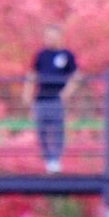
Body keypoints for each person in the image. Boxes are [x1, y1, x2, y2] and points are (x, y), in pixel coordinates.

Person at [29, 29, 77, 173]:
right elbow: (32, 75)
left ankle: (56, 160)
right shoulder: (41, 55)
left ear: (59, 37)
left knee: (57, 130)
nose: (48, 39)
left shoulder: (67, 55)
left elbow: (76, 75)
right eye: (46, 36)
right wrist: (28, 94)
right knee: (41, 131)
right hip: (41, 99)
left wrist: (66, 93)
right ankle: (48, 160)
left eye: (51, 36)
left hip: (56, 99)